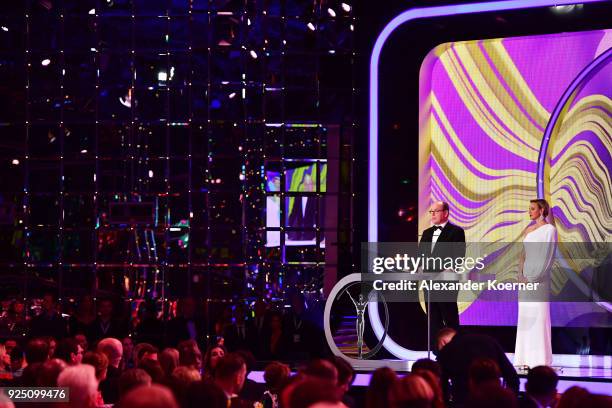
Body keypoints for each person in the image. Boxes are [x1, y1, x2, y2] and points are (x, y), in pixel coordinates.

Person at [514, 199, 556, 368]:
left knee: (539, 317)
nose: (529, 211)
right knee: (525, 318)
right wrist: (521, 276)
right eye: (529, 208)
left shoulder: (550, 230)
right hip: (525, 280)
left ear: (542, 210)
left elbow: (548, 256)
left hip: (539, 280)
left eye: (532, 209)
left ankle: (540, 360)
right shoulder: (528, 229)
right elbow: (522, 255)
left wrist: (533, 277)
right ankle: (524, 359)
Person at [418, 201, 465, 349]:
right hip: (429, 282)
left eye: (435, 211)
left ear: (445, 213)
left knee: (449, 317)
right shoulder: (426, 233)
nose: (432, 214)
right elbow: (420, 257)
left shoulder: (456, 231)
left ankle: (455, 349)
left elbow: (458, 256)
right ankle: (437, 352)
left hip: (446, 281)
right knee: (433, 319)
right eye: (431, 211)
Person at [436, 328, 519, 405]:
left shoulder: (447, 350)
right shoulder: (489, 341)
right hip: (494, 401)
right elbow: (512, 376)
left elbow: (442, 386)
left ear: (443, 342)